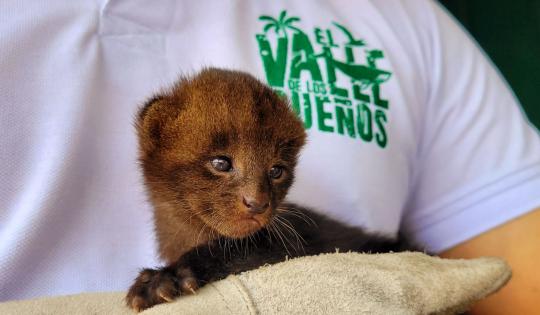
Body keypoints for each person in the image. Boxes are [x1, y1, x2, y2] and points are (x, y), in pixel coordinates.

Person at [1, 0, 539, 313]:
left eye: (277, 174)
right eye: (220, 164)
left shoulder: (400, 16)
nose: (259, 199)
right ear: (158, 134)